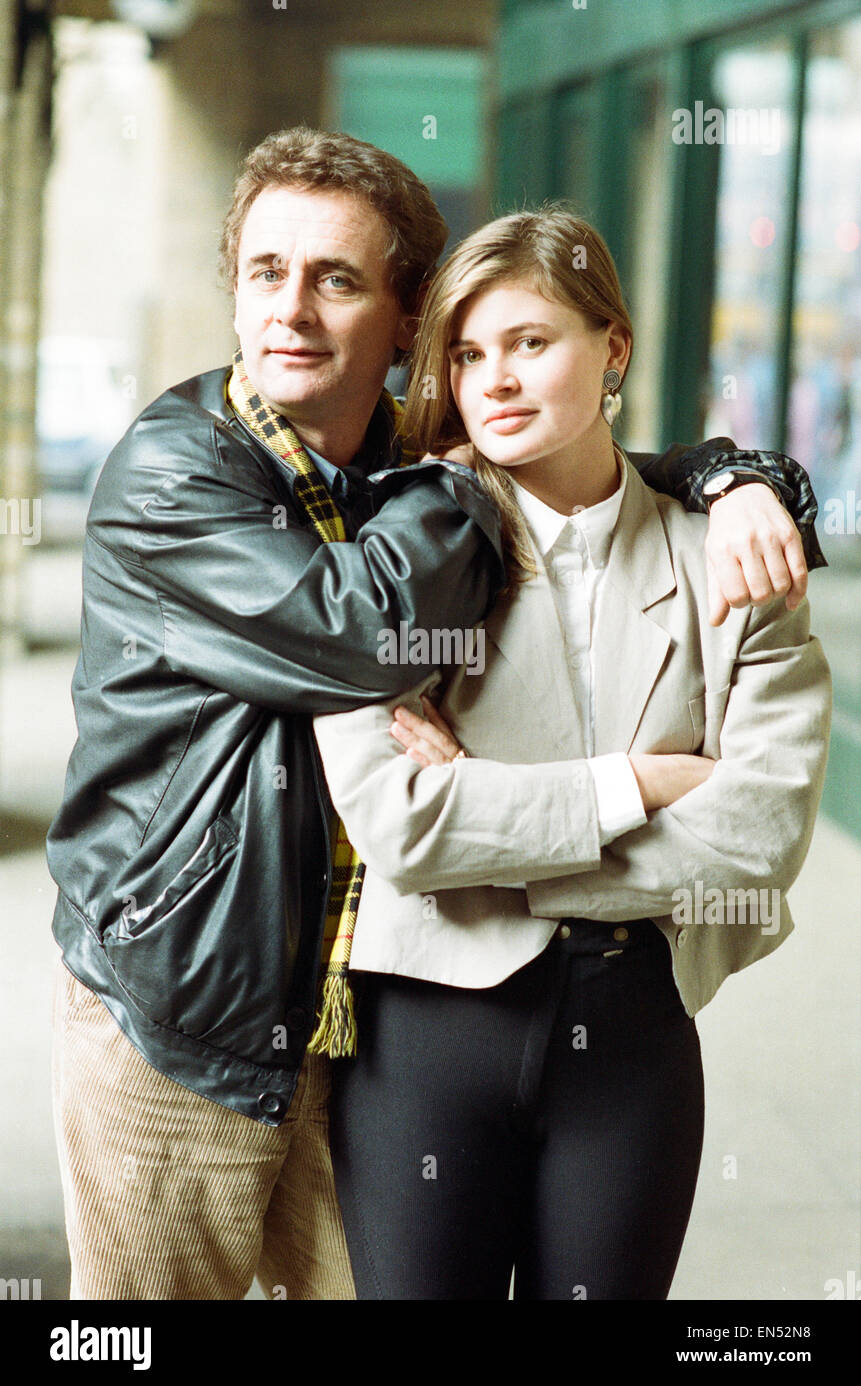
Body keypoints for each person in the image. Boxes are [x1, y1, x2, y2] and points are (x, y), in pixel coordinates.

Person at [47, 125, 822, 1302]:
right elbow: (360, 635)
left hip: (351, 1016)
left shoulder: (389, 479)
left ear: (401, 326)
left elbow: (569, 455)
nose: (290, 310)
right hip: (181, 1013)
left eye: (336, 278)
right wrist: (638, 785)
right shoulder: (179, 471)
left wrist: (732, 475)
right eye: (265, 272)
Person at [313, 208, 833, 1301]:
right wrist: (635, 786)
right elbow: (403, 826)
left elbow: (757, 841)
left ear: (616, 349)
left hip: (634, 1031)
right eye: (466, 352)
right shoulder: (393, 555)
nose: (493, 379)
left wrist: (488, 826)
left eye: (532, 342)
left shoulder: (738, 552)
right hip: (425, 1034)